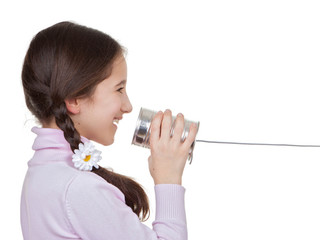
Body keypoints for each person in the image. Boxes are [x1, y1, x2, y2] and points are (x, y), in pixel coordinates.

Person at [20, 21, 198, 239]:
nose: (128, 106)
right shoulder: (79, 189)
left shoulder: (42, 174)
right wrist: (169, 178)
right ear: (74, 99)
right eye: (119, 89)